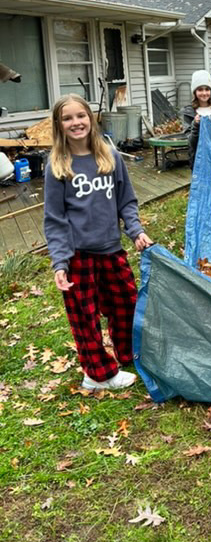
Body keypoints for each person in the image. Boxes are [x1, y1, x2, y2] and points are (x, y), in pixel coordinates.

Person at [43, 94, 153, 392]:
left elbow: (126, 201)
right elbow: (54, 219)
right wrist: (60, 262)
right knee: (85, 317)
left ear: (91, 119)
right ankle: (97, 373)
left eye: (81, 116)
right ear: (59, 124)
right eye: (67, 118)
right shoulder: (57, 166)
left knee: (126, 305)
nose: (75, 122)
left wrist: (136, 231)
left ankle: (129, 354)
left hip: (111, 250)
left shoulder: (110, 156)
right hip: (78, 256)